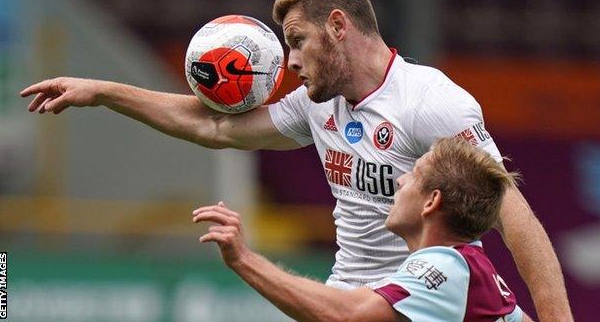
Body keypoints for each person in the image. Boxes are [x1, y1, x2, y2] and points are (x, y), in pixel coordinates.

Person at [19, 0, 571, 320]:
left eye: (298, 42)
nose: (290, 63)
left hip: (409, 303)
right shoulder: (317, 105)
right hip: (349, 297)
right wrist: (104, 92)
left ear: (338, 26)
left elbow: (512, 214)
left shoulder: (432, 103)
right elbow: (213, 127)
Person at [192, 138, 533, 322]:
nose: (399, 180)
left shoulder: (446, 266)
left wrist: (244, 260)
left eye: (413, 174)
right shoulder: (472, 269)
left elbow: (346, 314)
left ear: (431, 202)